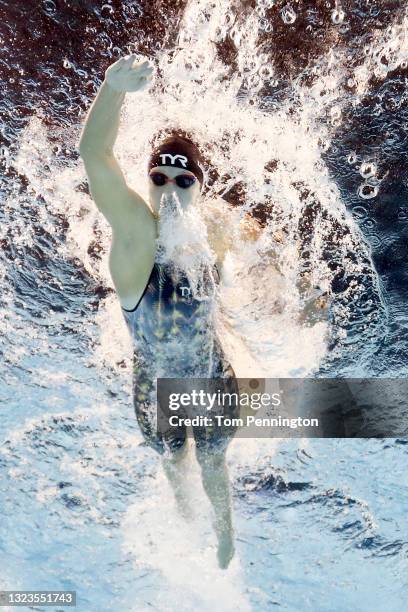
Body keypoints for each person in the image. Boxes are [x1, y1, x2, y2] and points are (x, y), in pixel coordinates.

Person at [78, 54, 256, 569]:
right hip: (154, 389)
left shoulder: (214, 230)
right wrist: (112, 90)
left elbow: (261, 263)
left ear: (200, 185)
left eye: (183, 181)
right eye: (159, 177)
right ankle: (185, 520)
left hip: (213, 372)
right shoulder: (137, 236)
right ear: (148, 182)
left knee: (214, 459)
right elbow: (94, 154)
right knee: (176, 459)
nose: (170, 189)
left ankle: (224, 538)